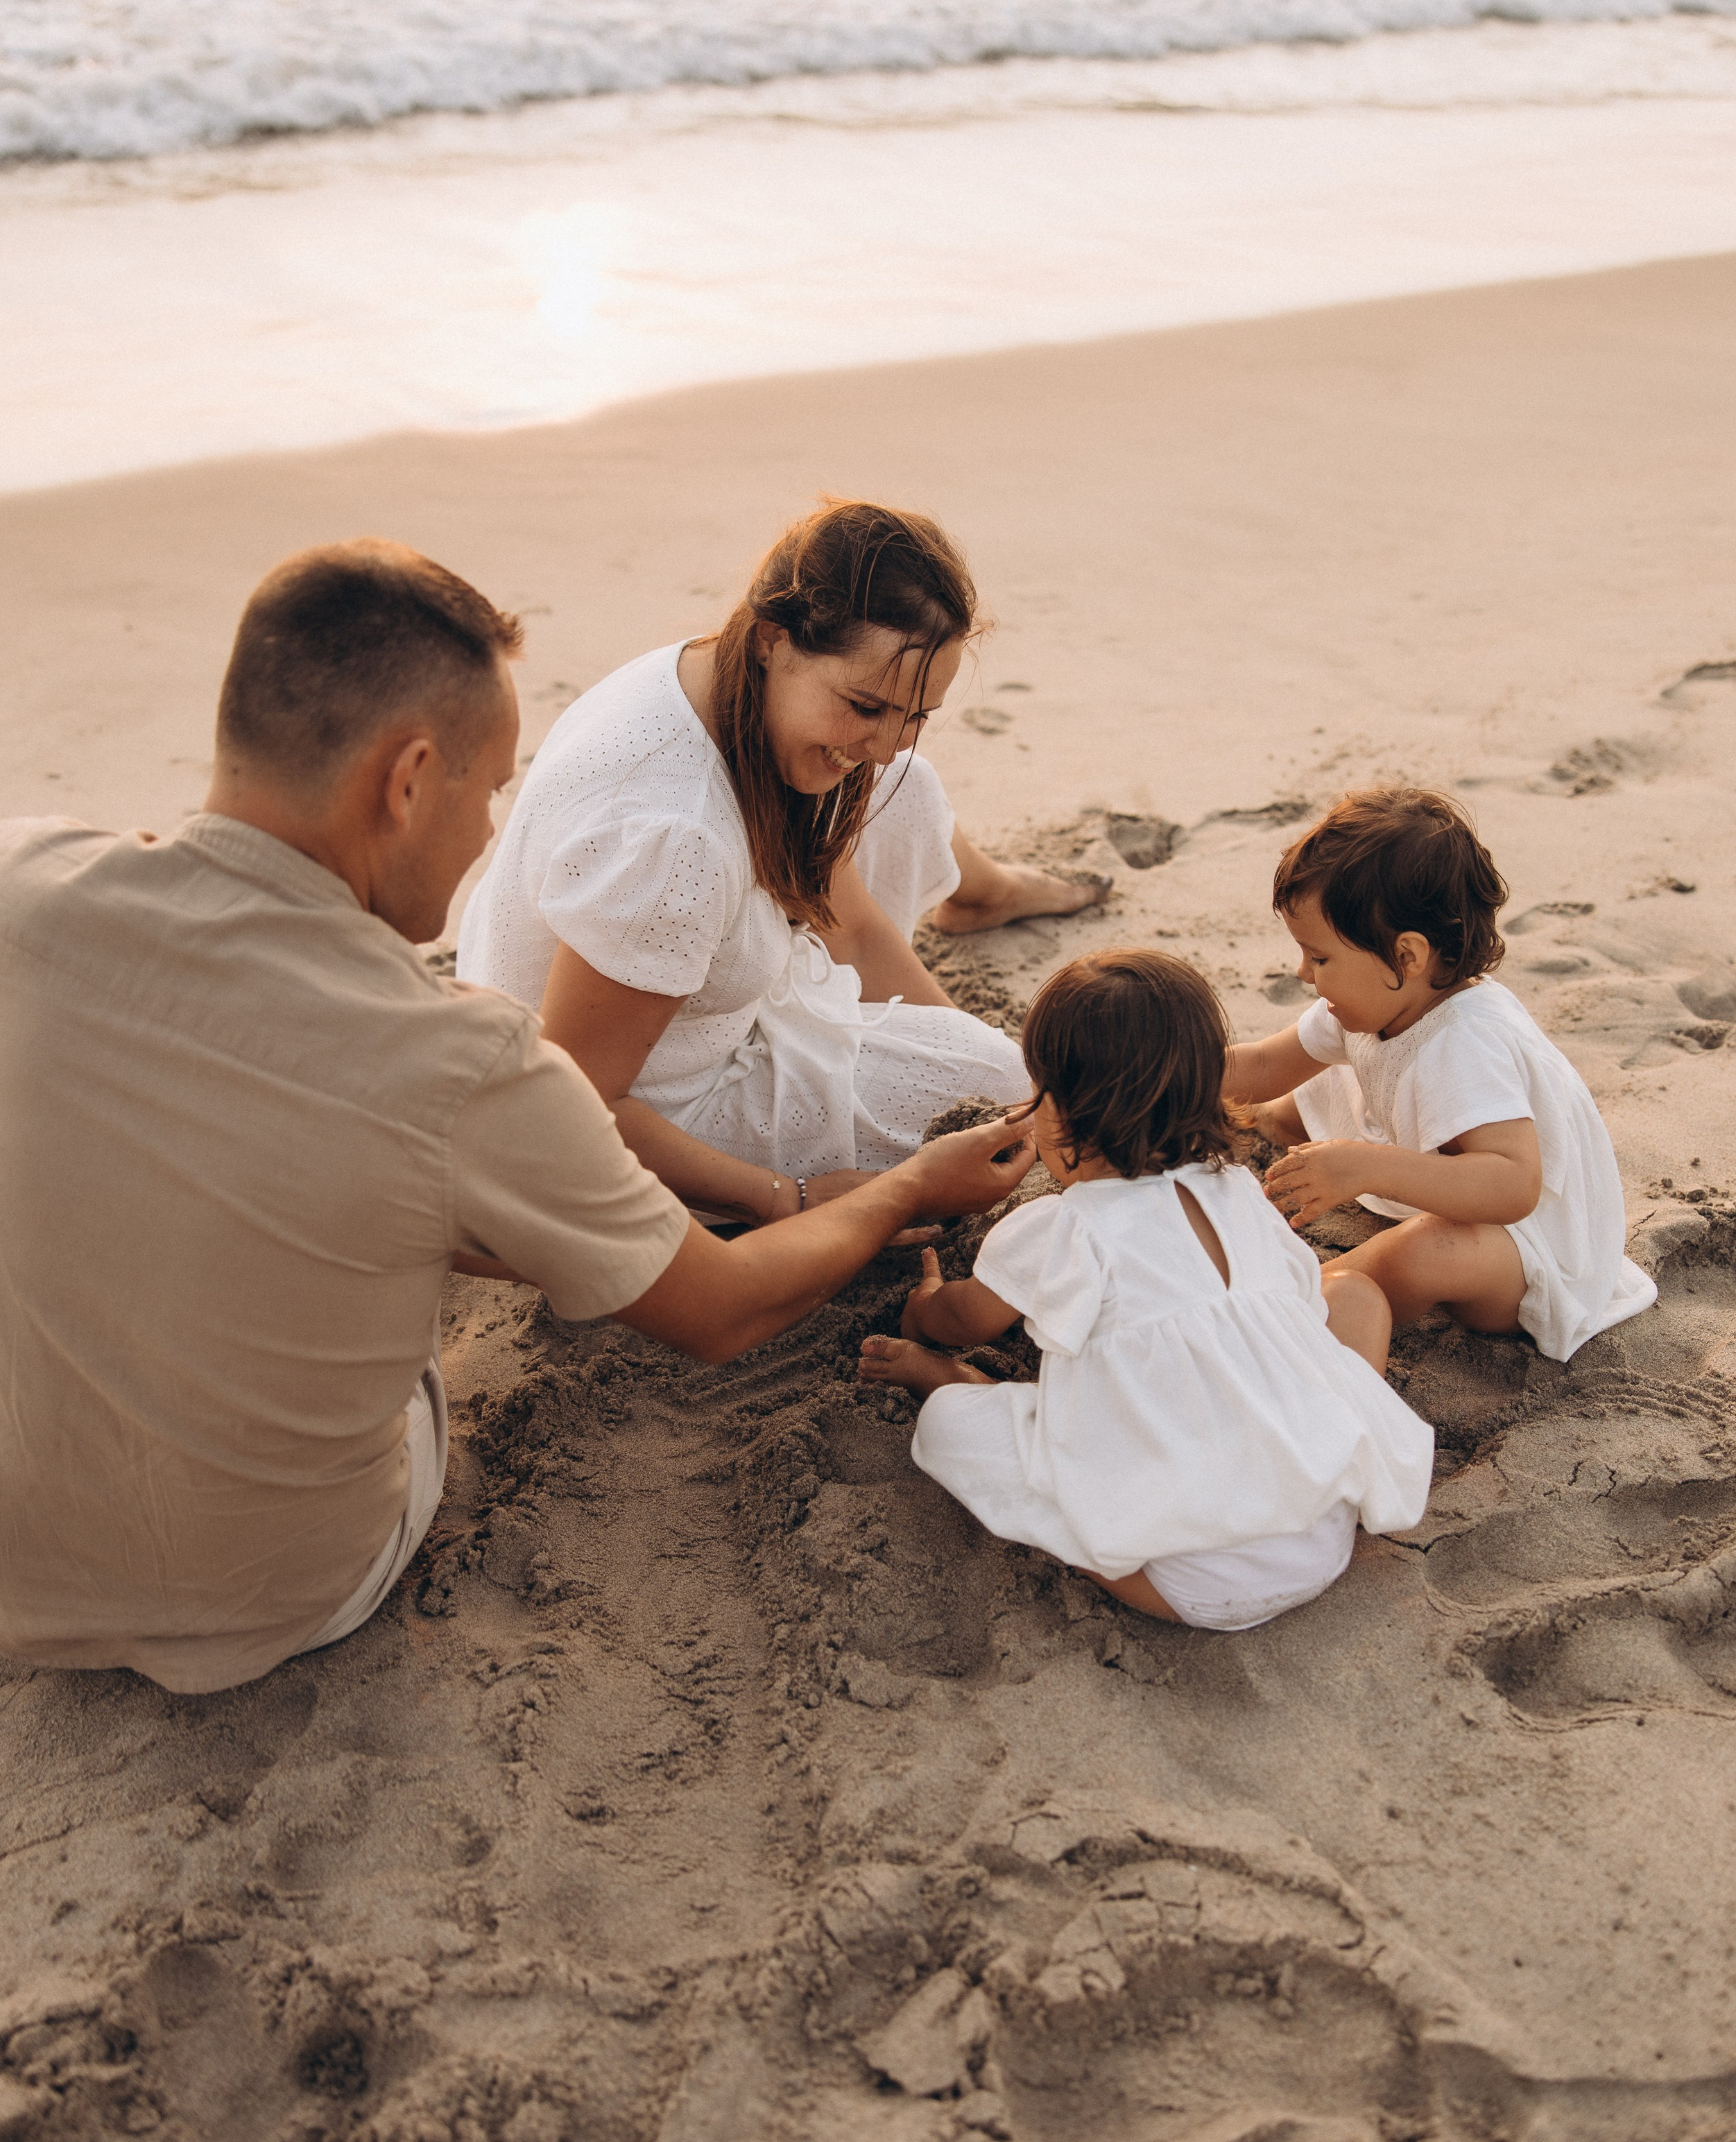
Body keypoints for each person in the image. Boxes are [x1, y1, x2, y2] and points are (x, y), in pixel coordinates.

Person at [0, 541, 1034, 1695]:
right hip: (279, 1596)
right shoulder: (459, 1061)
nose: (499, 833)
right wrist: (904, 1187)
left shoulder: (22, 878)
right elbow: (720, 1310)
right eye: (493, 788)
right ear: (407, 781)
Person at [455, 499, 1106, 1231]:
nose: (890, 740)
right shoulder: (673, 836)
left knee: (905, 793)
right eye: (866, 705)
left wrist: (957, 1049)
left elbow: (853, 929)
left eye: (916, 715)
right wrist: (785, 1196)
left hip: (657, 994)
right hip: (631, 1107)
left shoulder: (718, 675)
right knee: (1011, 1091)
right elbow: (569, 1104)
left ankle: (980, 898)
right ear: (773, 641)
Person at [859, 950, 1432, 1631]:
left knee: (957, 1429)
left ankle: (948, 1384)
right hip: (1321, 1535)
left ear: (1062, 1115)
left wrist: (924, 1308)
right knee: (1342, 1306)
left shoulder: (1064, 1228)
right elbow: (1295, 1308)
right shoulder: (1237, 1193)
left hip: (1185, 1580)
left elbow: (965, 1319)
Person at [1226, 788, 1656, 1362]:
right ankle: (1292, 1140)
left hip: (1527, 1252)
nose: (1304, 973)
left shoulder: (1466, 1042)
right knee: (1299, 1093)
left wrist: (1362, 1165)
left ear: (1407, 956)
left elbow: (1512, 1185)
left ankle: (1287, 1299)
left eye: (1321, 958)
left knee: (1427, 1251)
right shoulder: (1380, 1001)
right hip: (1449, 1178)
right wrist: (1148, 1075)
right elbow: (1261, 1065)